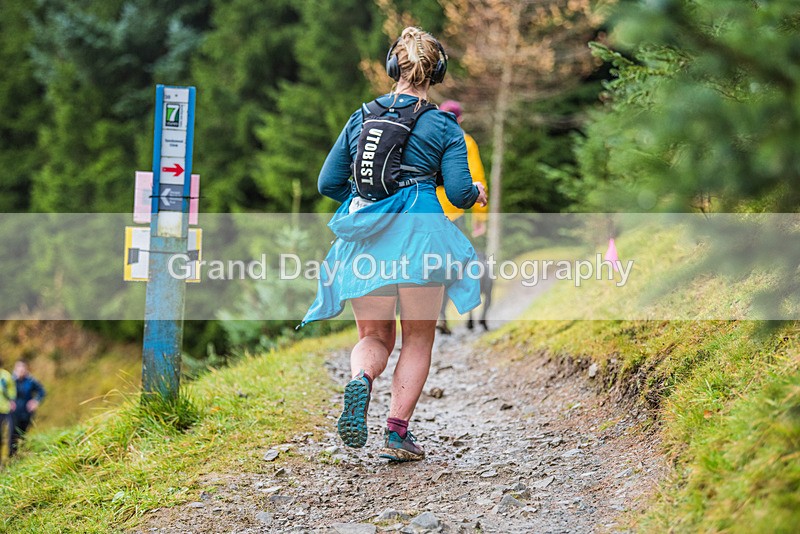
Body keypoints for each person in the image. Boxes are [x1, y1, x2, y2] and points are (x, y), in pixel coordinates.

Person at [301, 26, 487, 462]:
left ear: (392, 67)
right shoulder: (443, 124)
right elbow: (459, 194)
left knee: (374, 335)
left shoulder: (361, 116)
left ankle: (362, 379)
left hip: (367, 240)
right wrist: (474, 189)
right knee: (418, 338)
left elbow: (328, 183)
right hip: (420, 238)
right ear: (437, 72)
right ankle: (396, 433)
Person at [435, 100, 489, 335]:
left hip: (428, 210)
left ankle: (439, 314)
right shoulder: (465, 142)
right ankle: (461, 309)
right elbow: (476, 179)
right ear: (461, 119)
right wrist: (480, 217)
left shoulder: (429, 139)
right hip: (456, 213)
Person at [10, 360, 45, 456]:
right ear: (15, 369)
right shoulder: (11, 380)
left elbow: (41, 391)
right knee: (12, 434)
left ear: (26, 369)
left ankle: (21, 454)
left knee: (23, 433)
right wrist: (8, 402)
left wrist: (35, 401)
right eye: (19, 368)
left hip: (26, 412)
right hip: (13, 413)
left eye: (23, 368)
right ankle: (12, 456)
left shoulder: (31, 381)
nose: (21, 370)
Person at [0, 358, 16, 465]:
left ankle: (9, 457)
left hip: (6, 410)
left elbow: (12, 390)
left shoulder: (6, 376)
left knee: (10, 434)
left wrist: (12, 400)